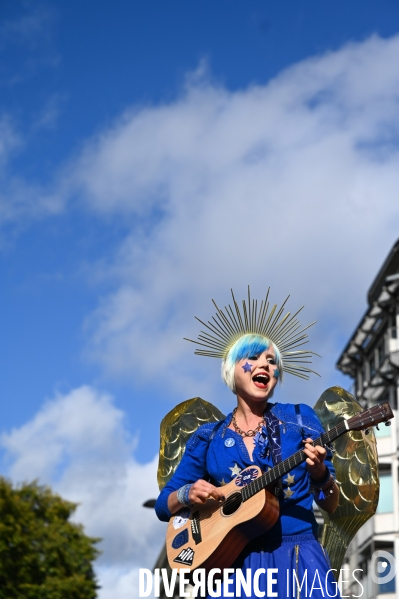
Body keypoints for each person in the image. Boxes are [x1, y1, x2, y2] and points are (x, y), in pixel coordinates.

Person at [155, 290, 340, 598]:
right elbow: (164, 505)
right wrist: (188, 493)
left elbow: (330, 503)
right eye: (252, 358)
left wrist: (320, 473)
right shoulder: (208, 437)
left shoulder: (299, 419)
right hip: (234, 566)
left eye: (271, 361)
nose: (264, 366)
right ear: (231, 370)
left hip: (298, 560)